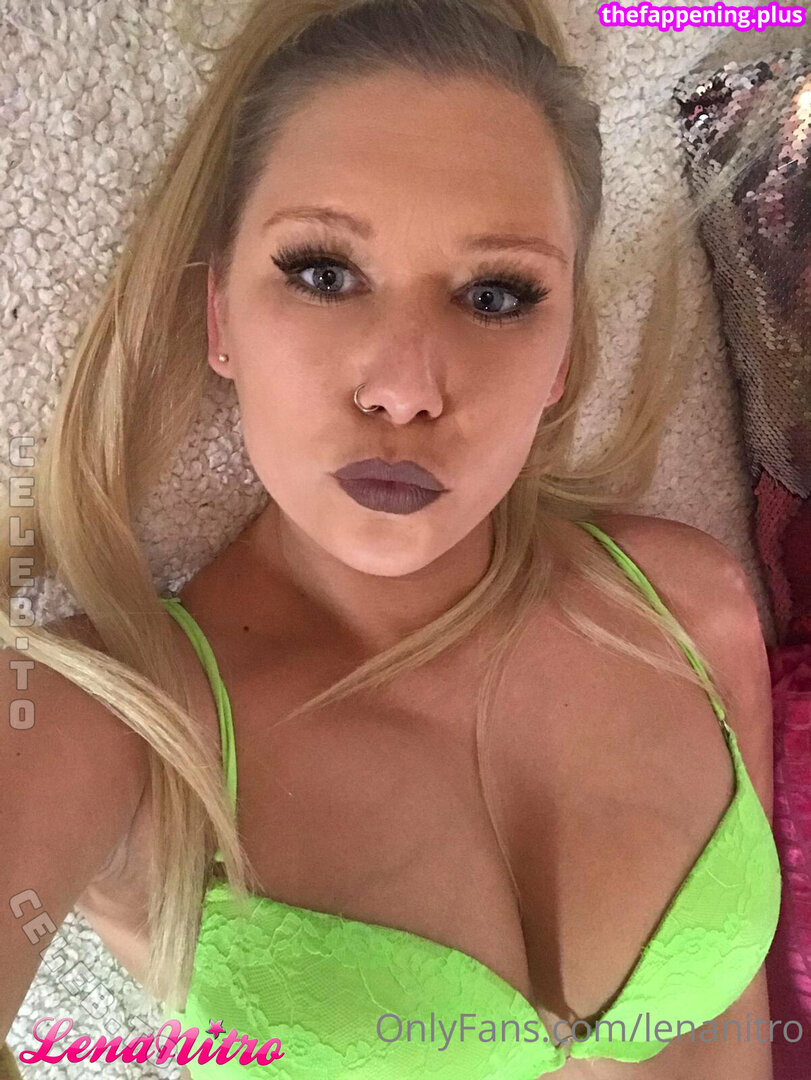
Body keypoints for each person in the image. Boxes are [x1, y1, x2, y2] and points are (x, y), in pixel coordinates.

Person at [0, 1, 781, 1077]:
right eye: (324, 273)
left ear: (561, 360)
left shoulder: (689, 604)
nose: (405, 390)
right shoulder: (103, 719)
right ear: (220, 318)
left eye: (495, 294)